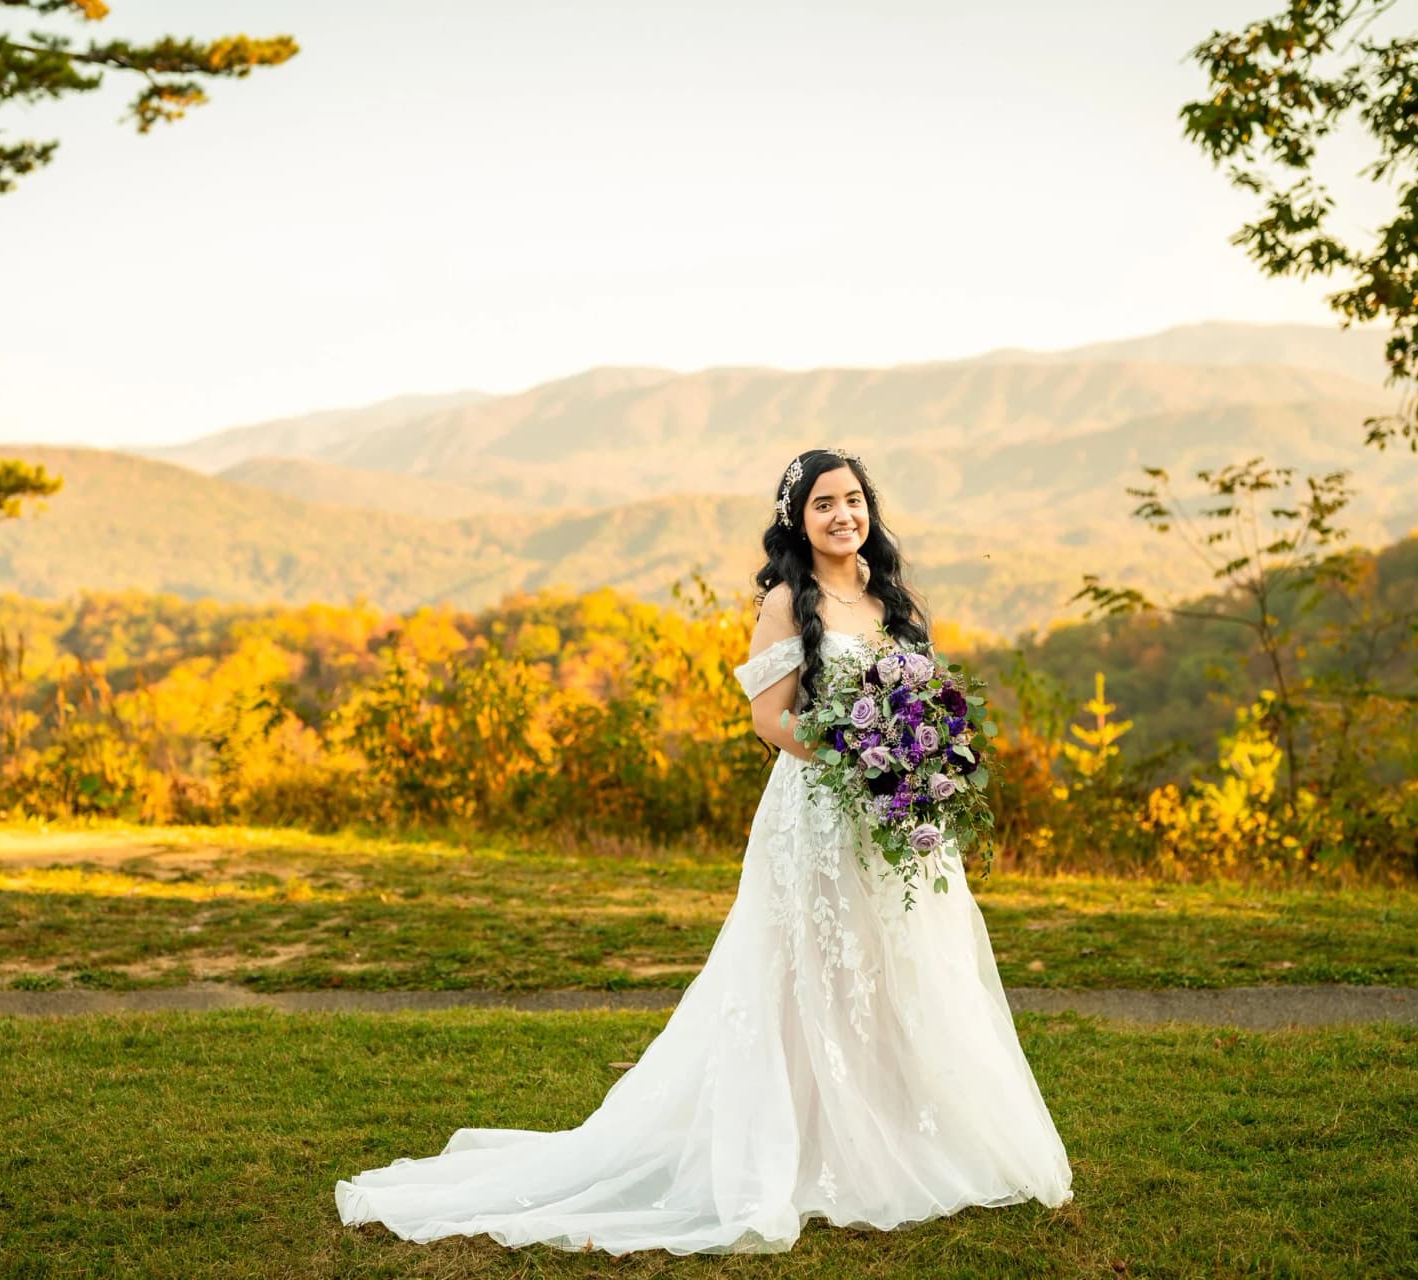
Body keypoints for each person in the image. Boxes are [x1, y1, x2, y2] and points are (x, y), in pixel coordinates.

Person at [335, 447, 1074, 1255]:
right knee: (809, 976)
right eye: (823, 504)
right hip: (821, 814)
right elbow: (771, 720)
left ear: (870, 509)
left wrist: (918, 765)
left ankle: (902, 1136)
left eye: (853, 501)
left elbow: (923, 698)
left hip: (897, 823)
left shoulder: (891, 598)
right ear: (798, 519)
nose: (843, 517)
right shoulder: (788, 604)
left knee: (892, 968)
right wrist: (860, 763)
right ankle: (802, 1147)